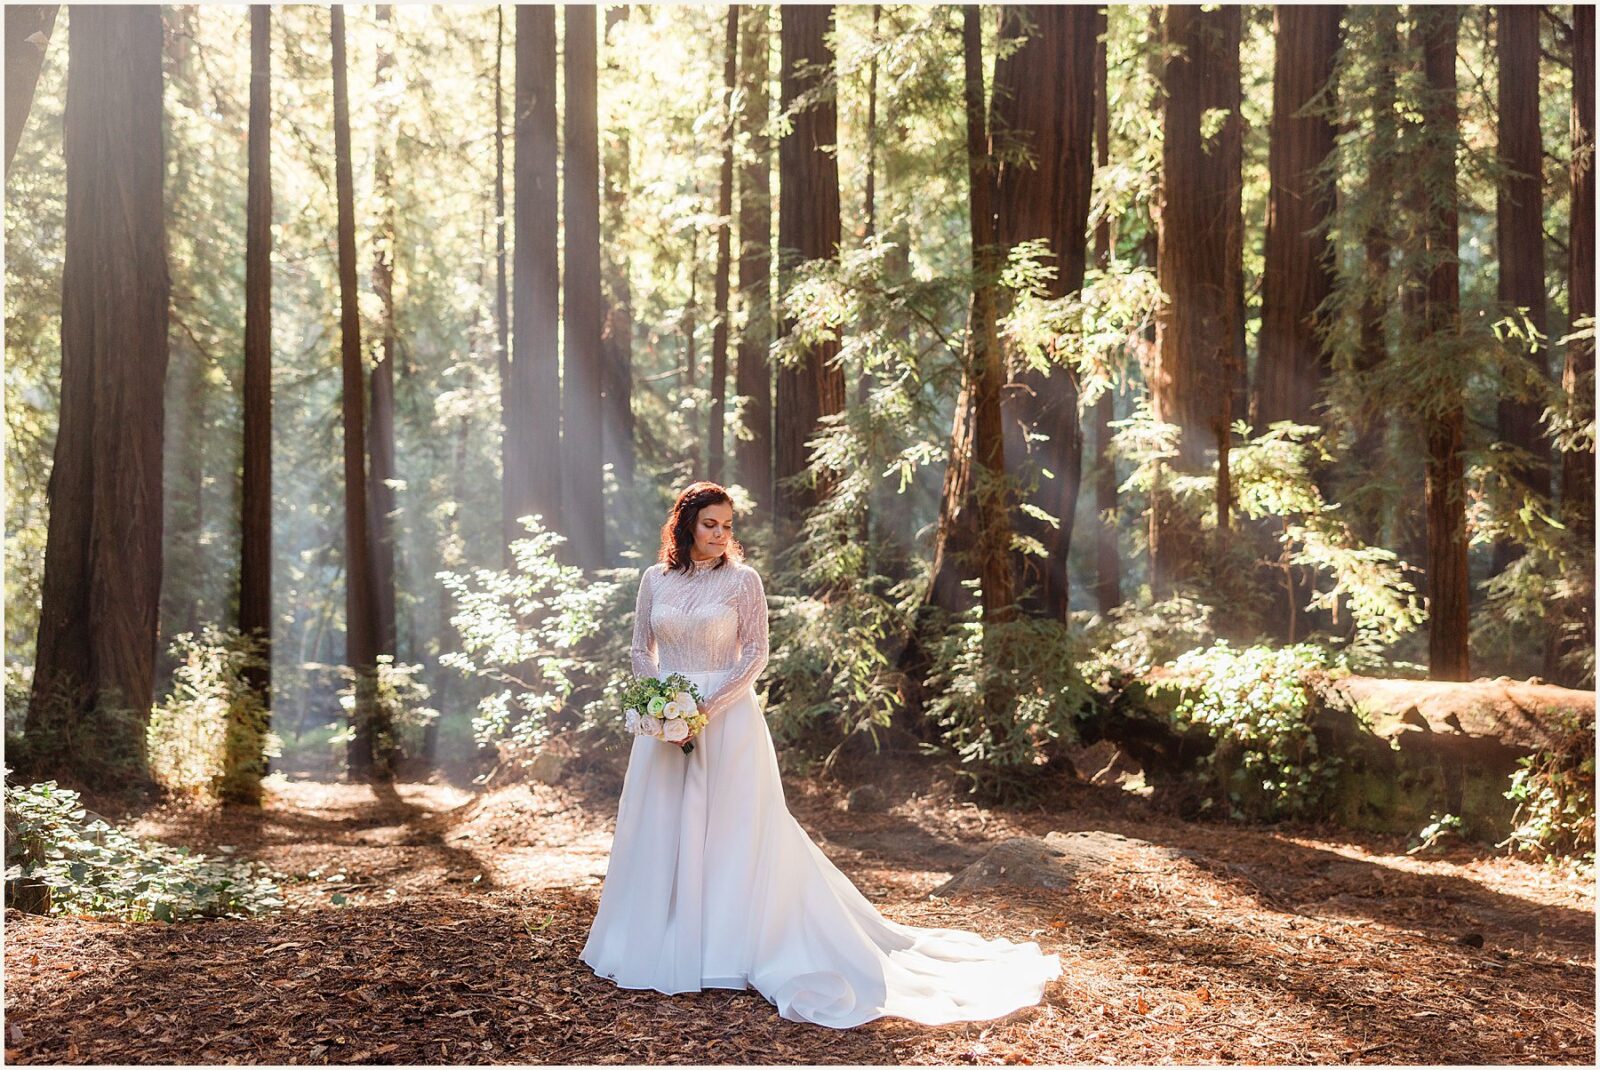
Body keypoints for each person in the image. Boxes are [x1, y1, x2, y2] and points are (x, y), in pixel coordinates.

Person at [579, 481, 1061, 1029]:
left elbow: (756, 652)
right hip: (664, 722)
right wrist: (660, 701)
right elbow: (642, 648)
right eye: (710, 524)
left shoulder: (743, 581)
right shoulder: (654, 580)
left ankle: (723, 946)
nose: (720, 535)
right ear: (686, 524)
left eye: (728, 525)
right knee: (662, 825)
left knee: (734, 831)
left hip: (727, 719)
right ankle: (656, 937)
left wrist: (705, 706)